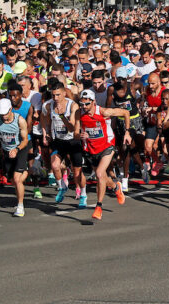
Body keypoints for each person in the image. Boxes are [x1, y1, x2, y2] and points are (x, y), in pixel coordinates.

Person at [78, 90, 127, 220]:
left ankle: (98, 207)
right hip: (91, 149)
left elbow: (125, 112)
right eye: (81, 104)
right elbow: (74, 131)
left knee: (99, 173)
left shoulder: (104, 112)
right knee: (103, 177)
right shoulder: (80, 113)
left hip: (107, 146)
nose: (84, 107)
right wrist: (80, 135)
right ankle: (116, 187)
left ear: (93, 102)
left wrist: (127, 132)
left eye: (87, 104)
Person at [41, 84, 86, 208]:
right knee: (55, 165)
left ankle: (83, 194)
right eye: (53, 95)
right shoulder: (49, 105)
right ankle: (62, 187)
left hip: (73, 141)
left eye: (58, 95)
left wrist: (62, 116)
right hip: (59, 141)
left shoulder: (73, 106)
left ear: (64, 93)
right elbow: (45, 119)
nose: (55, 98)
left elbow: (72, 129)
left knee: (77, 173)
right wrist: (48, 133)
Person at [0, 98, 30, 217]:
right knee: (13, 181)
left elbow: (25, 140)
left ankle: (20, 206)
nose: (3, 116)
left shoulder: (20, 120)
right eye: (1, 114)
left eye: (5, 113)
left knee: (17, 179)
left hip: (20, 150)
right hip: (7, 151)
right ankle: (26, 171)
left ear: (11, 109)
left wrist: (17, 149)